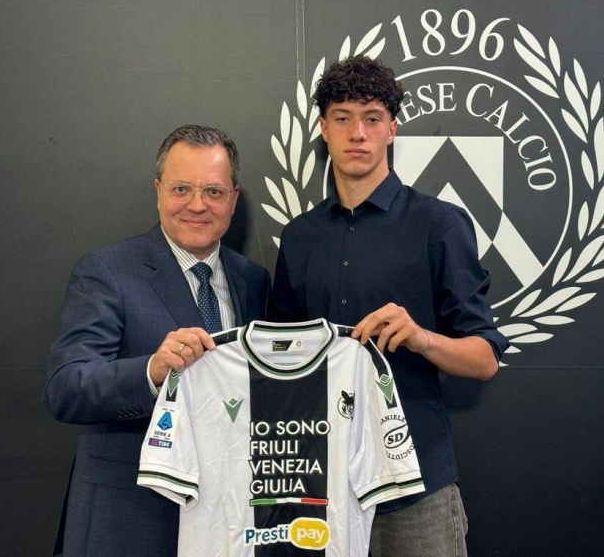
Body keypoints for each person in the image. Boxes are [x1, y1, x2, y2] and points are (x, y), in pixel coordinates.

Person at [271, 56, 509, 557]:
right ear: (324, 129)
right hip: (322, 485)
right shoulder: (299, 237)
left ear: (392, 129)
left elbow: (485, 359)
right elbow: (281, 364)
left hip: (417, 484)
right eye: (342, 118)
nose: (357, 133)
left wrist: (421, 338)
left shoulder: (440, 224)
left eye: (372, 118)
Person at [44, 124, 270, 556]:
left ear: (233, 198)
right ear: (159, 190)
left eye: (214, 192)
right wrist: (152, 371)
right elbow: (65, 388)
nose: (197, 205)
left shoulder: (253, 280)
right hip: (127, 520)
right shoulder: (108, 270)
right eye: (181, 188)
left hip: (225, 521)